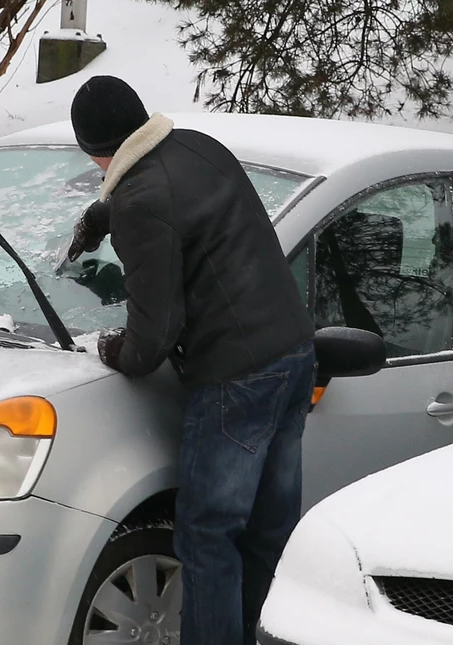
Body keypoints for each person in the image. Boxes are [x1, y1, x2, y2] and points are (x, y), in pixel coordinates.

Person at [66, 75, 316, 645]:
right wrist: (104, 214)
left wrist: (115, 350)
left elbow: (154, 333)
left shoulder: (139, 203)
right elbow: (179, 205)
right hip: (294, 353)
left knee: (207, 535)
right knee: (266, 528)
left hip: (237, 378)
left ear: (94, 152)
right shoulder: (198, 145)